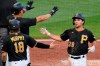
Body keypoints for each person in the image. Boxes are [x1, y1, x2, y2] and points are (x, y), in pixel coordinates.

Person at [4, 2, 58, 66]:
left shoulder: (9, 18)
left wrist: (26, 8)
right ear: (21, 11)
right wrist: (52, 12)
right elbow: (41, 18)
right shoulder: (25, 21)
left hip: (10, 45)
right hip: (23, 45)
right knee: (25, 62)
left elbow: (17, 13)